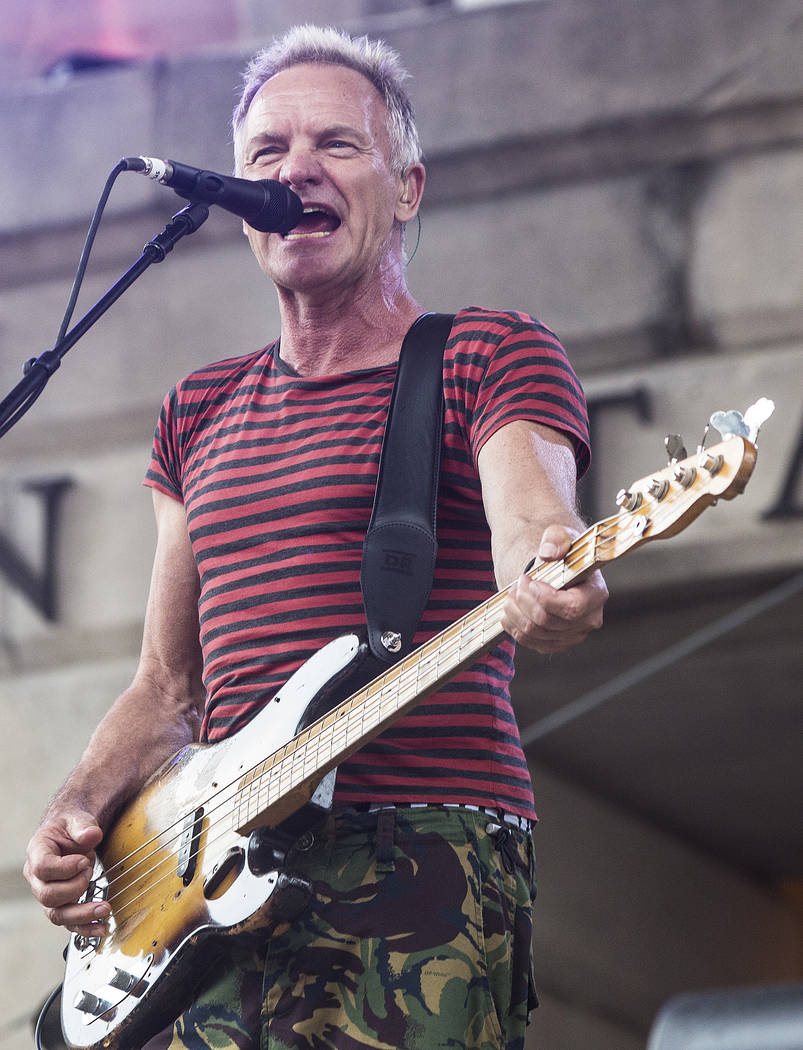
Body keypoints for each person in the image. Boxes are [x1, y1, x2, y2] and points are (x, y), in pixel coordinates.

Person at [24, 24, 608, 1050]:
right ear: (238, 207)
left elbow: (535, 525)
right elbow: (167, 688)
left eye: (336, 145)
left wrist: (547, 579)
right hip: (210, 879)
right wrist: (77, 813)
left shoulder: (484, 352)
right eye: (266, 155)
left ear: (407, 188)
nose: (295, 170)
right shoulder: (196, 410)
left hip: (418, 845)